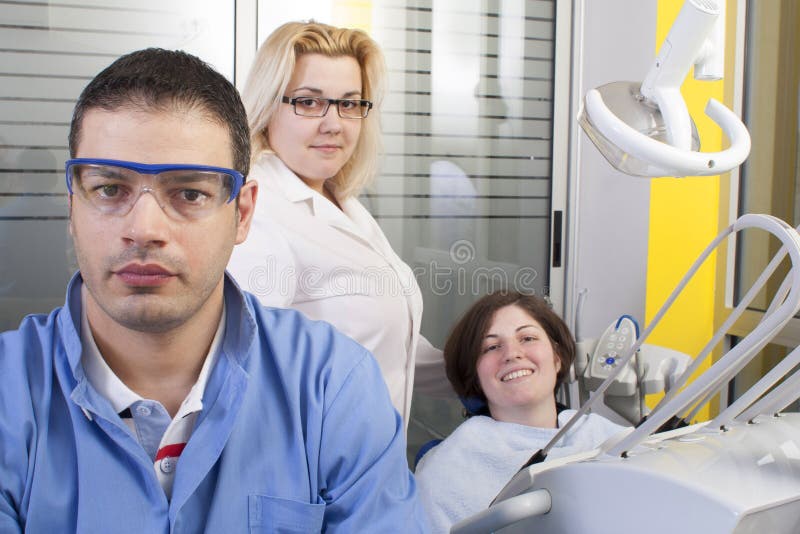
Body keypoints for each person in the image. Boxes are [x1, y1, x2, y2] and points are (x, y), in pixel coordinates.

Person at [0, 48, 427, 533]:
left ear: (242, 214)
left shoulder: (333, 386)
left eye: (189, 193)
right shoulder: (9, 397)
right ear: (72, 205)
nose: (144, 229)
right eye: (110, 189)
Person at [227, 21, 449, 426]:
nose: (334, 123)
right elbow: (243, 379)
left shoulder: (342, 202)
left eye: (349, 104)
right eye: (309, 103)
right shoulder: (258, 215)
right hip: (319, 480)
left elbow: (384, 342)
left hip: (373, 470)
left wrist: (488, 366)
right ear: (265, 108)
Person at [414, 291, 626, 533]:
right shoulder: (445, 472)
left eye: (527, 338)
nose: (512, 354)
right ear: (474, 376)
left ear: (557, 357)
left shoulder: (607, 437)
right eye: (491, 346)